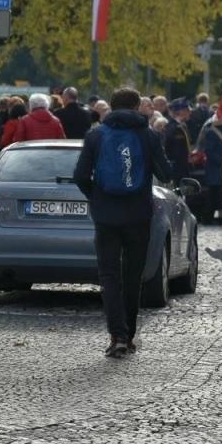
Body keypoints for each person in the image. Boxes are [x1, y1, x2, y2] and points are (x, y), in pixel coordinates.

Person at [74, 87, 175, 358]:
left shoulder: (96, 135)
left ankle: (116, 334)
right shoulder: (149, 135)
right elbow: (166, 173)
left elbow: (80, 174)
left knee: (109, 276)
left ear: (111, 106)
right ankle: (128, 335)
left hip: (105, 215)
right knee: (133, 276)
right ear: (137, 107)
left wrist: (96, 197)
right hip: (138, 215)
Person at [163, 99, 195, 181]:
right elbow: (170, 149)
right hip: (176, 168)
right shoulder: (172, 127)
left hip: (184, 167)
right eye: (187, 110)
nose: (190, 112)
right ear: (180, 111)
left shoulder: (183, 126)